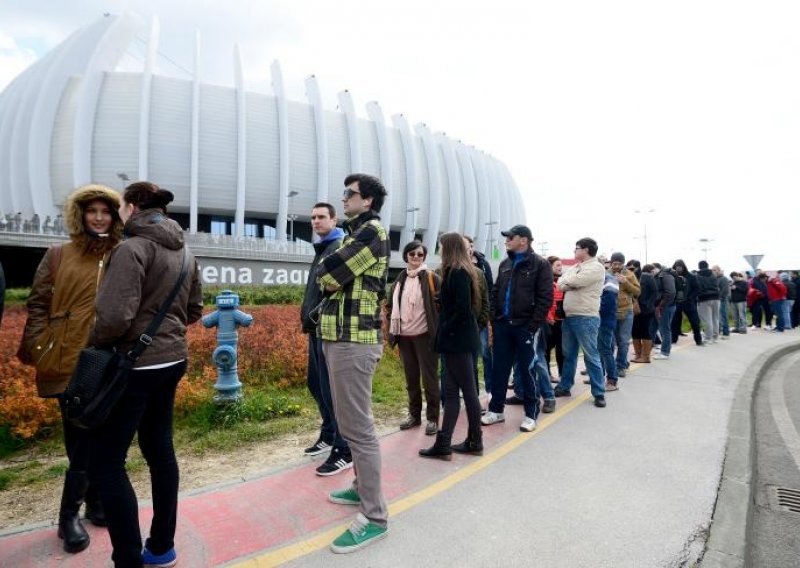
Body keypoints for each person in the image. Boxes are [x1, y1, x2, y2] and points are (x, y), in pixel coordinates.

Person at [87, 182, 203, 568]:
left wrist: (97, 341)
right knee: (159, 450)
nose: (118, 212)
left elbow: (114, 317)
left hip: (134, 365)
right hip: (172, 360)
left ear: (132, 207)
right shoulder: (184, 250)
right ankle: (161, 548)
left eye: (120, 205)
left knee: (107, 462)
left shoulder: (132, 248)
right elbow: (194, 308)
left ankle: (127, 559)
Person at [16, 185, 123, 554]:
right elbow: (38, 303)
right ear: (80, 215)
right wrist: (38, 348)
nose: (98, 217)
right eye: (91, 211)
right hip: (67, 358)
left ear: (114, 216)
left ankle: (95, 504)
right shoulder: (59, 255)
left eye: (105, 211)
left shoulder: (120, 255)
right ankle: (68, 517)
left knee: (103, 433)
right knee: (79, 438)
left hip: (107, 359)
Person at [316, 173, 391, 554]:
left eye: (351, 194)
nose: (344, 198)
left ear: (369, 202)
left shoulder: (372, 232)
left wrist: (332, 276)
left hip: (353, 340)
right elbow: (328, 277)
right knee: (350, 423)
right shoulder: (352, 234)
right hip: (338, 337)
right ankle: (361, 488)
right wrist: (332, 276)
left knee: (358, 429)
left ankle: (375, 516)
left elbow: (326, 274)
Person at [481, 224, 553, 431]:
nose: (506, 240)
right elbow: (495, 292)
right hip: (503, 325)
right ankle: (496, 411)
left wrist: (532, 326)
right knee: (499, 370)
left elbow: (545, 297)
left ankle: (531, 414)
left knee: (527, 370)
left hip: (525, 327)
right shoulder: (505, 264)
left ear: (524, 240)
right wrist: (495, 318)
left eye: (510, 237)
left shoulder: (540, 264)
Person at [419, 232, 483, 459]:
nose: (438, 249)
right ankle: (444, 443)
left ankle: (475, 441)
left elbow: (463, 309)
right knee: (452, 391)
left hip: (457, 341)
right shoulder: (457, 270)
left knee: (467, 391)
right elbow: (457, 304)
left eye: (440, 246)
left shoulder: (457, 272)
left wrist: (445, 327)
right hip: (456, 340)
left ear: (449, 247)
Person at [299, 202, 352, 475]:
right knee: (316, 384)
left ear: (334, 219)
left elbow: (333, 290)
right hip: (315, 328)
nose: (315, 221)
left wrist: (316, 316)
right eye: (312, 217)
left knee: (332, 391)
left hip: (327, 329)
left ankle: (344, 448)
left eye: (321, 217)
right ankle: (329, 432)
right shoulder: (323, 248)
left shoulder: (337, 247)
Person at [387, 240, 441, 436]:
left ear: (424, 257)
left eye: (420, 254)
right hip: (404, 337)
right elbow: (389, 306)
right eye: (412, 254)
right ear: (406, 256)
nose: (416, 257)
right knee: (411, 380)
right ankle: (414, 415)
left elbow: (441, 305)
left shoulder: (431, 278)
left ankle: (433, 418)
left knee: (430, 379)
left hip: (425, 336)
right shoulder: (399, 279)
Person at [554, 237, 607, 407]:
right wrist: (568, 283)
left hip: (586, 317)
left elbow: (575, 281)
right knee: (568, 354)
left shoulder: (596, 267)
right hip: (569, 317)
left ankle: (599, 392)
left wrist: (568, 283)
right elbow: (561, 283)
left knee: (591, 355)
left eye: (576, 248)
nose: (574, 251)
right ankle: (565, 385)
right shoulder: (577, 267)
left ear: (586, 250)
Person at [464, 235, 494, 396]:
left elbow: (489, 291)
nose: (469, 248)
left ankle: (489, 388)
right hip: (462, 322)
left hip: (480, 320)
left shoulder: (482, 265)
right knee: (468, 359)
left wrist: (484, 319)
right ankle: (470, 391)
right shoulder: (451, 266)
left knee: (485, 353)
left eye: (471, 245)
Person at [609, 252, 640, 377]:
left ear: (623, 264)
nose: (616, 266)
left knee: (623, 340)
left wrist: (625, 282)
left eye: (619, 264)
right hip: (610, 312)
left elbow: (637, 291)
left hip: (626, 311)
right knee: (610, 342)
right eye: (614, 263)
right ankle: (609, 366)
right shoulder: (606, 274)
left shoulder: (629, 274)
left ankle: (621, 366)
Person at [670, 260, 703, 346]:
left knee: (695, 322)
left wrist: (690, 298)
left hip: (688, 302)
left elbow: (697, 289)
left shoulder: (691, 276)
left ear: (684, 267)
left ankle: (698, 340)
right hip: (676, 302)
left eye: (680, 267)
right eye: (677, 268)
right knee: (674, 322)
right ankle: (673, 339)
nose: (679, 269)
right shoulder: (672, 276)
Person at [631, 263, 658, 363]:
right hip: (634, 309)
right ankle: (638, 355)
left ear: (638, 267)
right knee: (635, 332)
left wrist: (648, 303)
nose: (631, 269)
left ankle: (645, 357)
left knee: (645, 332)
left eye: (633, 267)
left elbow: (655, 292)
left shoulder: (646, 277)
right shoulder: (629, 276)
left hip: (646, 309)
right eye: (629, 267)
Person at [545, 256, 565, 382]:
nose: (560, 267)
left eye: (561, 265)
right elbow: (542, 300)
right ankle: (547, 375)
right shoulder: (544, 281)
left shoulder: (563, 281)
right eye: (557, 265)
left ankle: (563, 376)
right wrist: (548, 315)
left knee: (562, 350)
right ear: (550, 266)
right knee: (546, 349)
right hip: (548, 321)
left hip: (562, 321)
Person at [652, 263, 677, 360]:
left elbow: (670, 292)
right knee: (662, 328)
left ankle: (665, 352)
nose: (652, 272)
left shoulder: (665, 276)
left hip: (666, 306)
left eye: (653, 269)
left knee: (665, 328)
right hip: (664, 306)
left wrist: (662, 305)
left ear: (658, 268)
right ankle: (664, 348)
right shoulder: (661, 275)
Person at [695, 260, 721, 344]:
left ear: (699, 267)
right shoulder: (713, 274)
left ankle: (708, 338)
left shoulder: (697, 275)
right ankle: (715, 337)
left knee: (706, 319)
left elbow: (697, 287)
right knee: (715, 318)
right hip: (716, 298)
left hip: (704, 299)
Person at [713, 265, 731, 338]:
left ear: (718, 270)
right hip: (716, 300)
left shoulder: (723, 278)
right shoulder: (715, 279)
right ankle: (719, 331)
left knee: (723, 316)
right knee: (717, 317)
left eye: (714, 270)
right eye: (712, 270)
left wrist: (720, 298)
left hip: (722, 300)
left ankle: (726, 333)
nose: (713, 272)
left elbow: (725, 290)